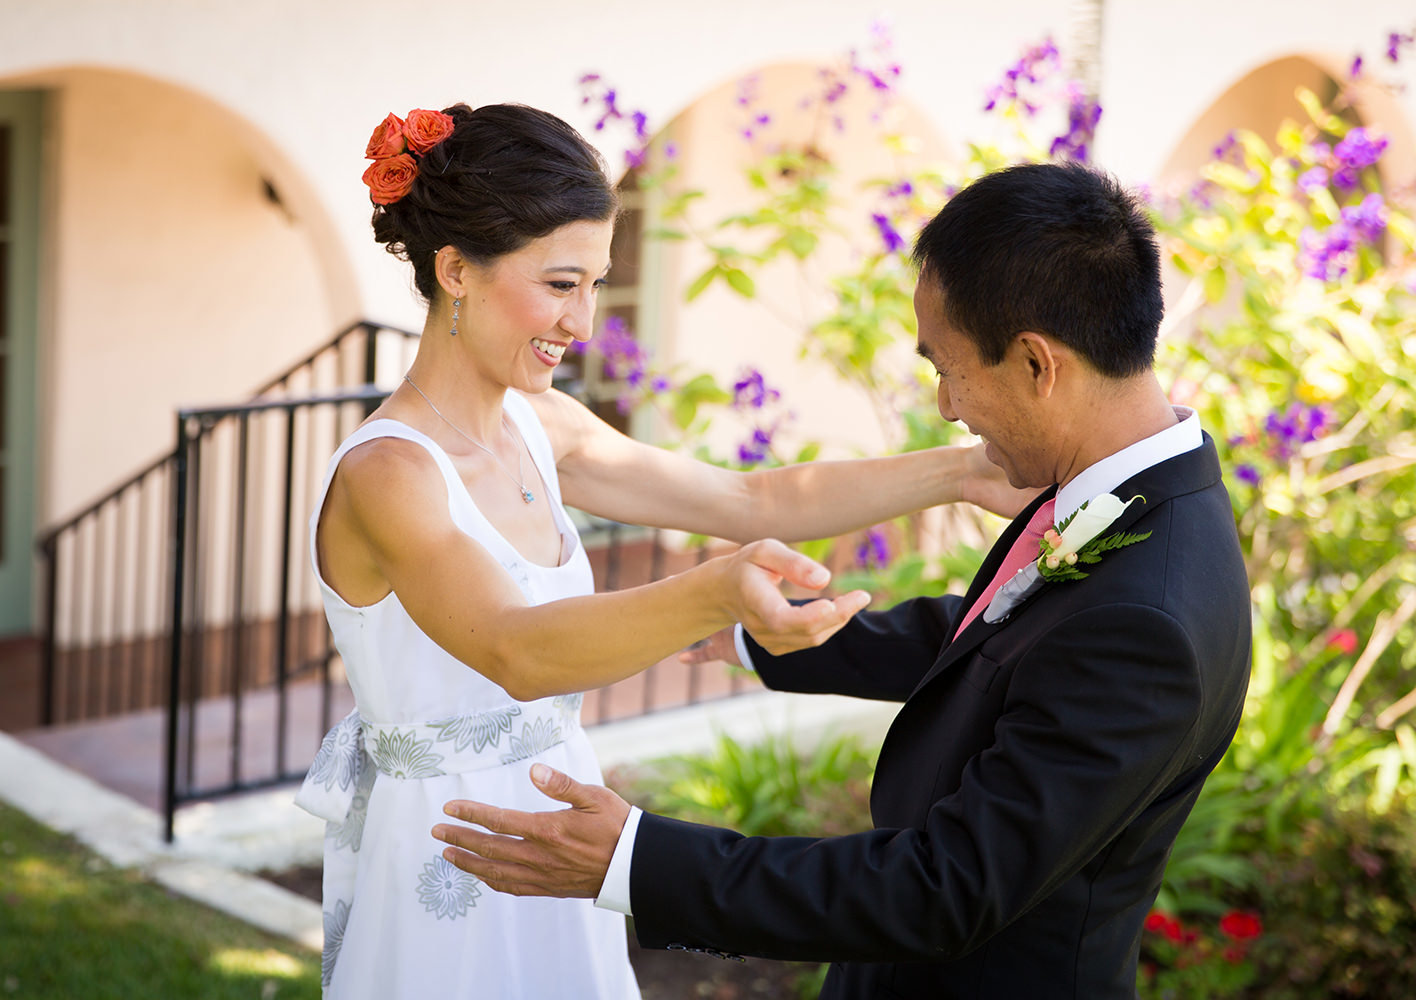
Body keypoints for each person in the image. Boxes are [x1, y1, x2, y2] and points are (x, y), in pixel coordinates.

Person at [431, 161, 1255, 999]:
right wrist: (773, 637)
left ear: (1037, 363)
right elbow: (999, 640)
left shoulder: (1146, 620)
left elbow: (945, 888)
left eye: (946, 367)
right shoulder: (1138, 497)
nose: (945, 407)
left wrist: (637, 860)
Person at [294, 102, 1031, 999]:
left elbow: (745, 497)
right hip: (451, 848)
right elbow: (517, 650)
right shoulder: (390, 473)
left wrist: (960, 472)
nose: (586, 321)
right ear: (455, 270)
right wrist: (715, 592)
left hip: (564, 821)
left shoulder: (542, 423)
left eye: (596, 283)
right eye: (562, 284)